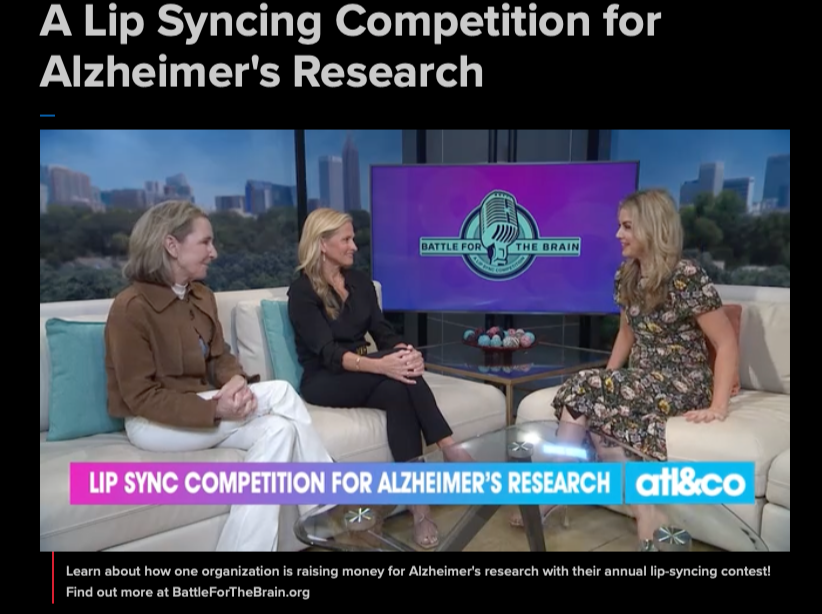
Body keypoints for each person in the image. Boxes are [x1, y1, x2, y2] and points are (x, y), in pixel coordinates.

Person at [510, 189, 739, 550]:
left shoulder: (686, 276)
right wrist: (607, 380)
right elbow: (626, 333)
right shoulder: (626, 275)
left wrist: (719, 406)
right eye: (620, 225)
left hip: (682, 381)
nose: (618, 234)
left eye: (627, 226)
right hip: (642, 379)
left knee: (587, 389)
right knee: (594, 401)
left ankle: (557, 484)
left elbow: (725, 343)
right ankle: (645, 512)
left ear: (653, 227)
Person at [104, 200, 333, 552]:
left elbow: (219, 355)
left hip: (205, 407)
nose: (214, 252)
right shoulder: (130, 308)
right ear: (171, 245)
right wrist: (215, 409)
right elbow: (141, 398)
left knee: (280, 430)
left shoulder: (201, 296)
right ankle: (328, 514)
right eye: (205, 242)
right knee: (283, 393)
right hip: (152, 423)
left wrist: (234, 381)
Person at [287, 208, 468, 550]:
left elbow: (384, 334)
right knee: (396, 375)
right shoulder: (302, 292)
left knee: (400, 389)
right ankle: (450, 447)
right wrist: (384, 365)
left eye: (353, 238)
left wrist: (406, 353)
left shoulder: (360, 283)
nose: (354, 246)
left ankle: (419, 510)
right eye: (346, 239)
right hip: (325, 378)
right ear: (322, 244)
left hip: (365, 372)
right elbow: (328, 353)